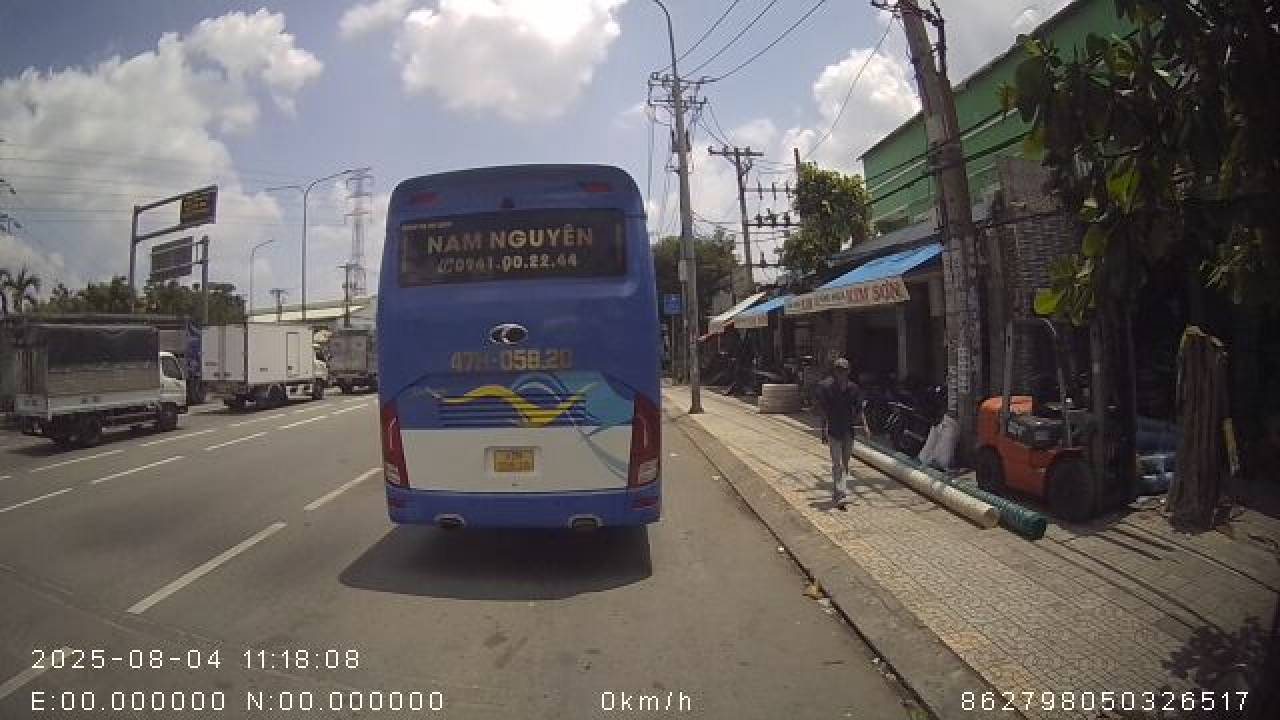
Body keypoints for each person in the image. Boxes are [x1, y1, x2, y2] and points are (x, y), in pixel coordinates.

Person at [816, 357, 863, 509]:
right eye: (838, 370)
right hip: (834, 430)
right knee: (837, 464)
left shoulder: (853, 388)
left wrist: (864, 426)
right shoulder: (826, 388)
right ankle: (840, 493)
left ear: (848, 371)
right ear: (834, 371)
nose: (840, 373)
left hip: (848, 431)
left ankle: (839, 490)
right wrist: (823, 430)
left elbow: (859, 408)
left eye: (843, 370)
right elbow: (823, 411)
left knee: (846, 463)